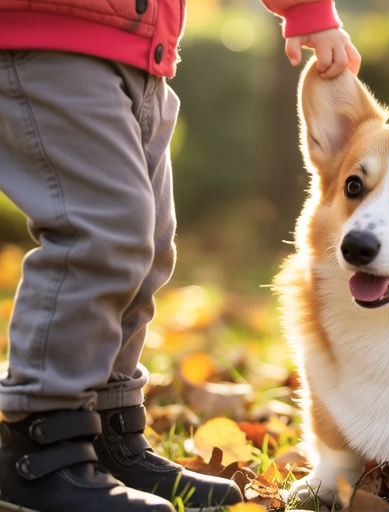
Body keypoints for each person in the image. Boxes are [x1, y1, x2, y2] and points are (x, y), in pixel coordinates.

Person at [0, 1, 360, 511]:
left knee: (147, 242)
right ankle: (40, 447)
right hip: (51, 35)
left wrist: (306, 9)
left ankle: (104, 435)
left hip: (141, 51)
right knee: (101, 234)